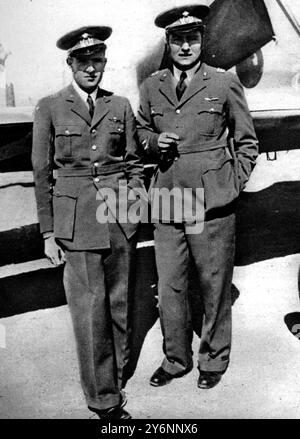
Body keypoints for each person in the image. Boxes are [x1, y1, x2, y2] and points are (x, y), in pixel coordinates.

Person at [136, 4, 258, 389]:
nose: (185, 46)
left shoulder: (223, 83)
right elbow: (139, 133)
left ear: (202, 40)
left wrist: (231, 184)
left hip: (212, 200)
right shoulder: (152, 86)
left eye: (192, 38)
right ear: (168, 43)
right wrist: (155, 142)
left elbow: (247, 142)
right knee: (171, 286)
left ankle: (213, 359)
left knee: (214, 283)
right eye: (177, 39)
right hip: (169, 197)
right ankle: (176, 359)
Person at [32, 26, 145, 419]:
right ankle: (103, 399)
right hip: (76, 221)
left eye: (98, 61)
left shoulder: (120, 105)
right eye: (84, 62)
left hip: (118, 218)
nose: (92, 69)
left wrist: (134, 209)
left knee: (118, 303)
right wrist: (48, 232)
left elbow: (133, 165)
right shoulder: (50, 107)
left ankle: (114, 374)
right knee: (89, 310)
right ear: (71, 65)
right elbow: (42, 172)